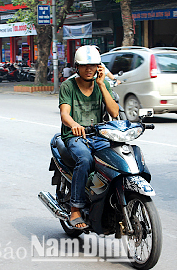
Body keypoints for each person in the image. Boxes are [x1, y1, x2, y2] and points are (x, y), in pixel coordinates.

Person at [59, 45, 119, 229]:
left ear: (99, 67)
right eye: (84, 66)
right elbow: (65, 114)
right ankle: (75, 208)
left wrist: (101, 84)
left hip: (100, 135)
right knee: (84, 160)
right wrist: (75, 125)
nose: (89, 69)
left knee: (117, 159)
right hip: (75, 136)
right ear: (77, 66)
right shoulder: (68, 85)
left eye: (93, 65)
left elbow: (115, 112)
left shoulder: (104, 84)